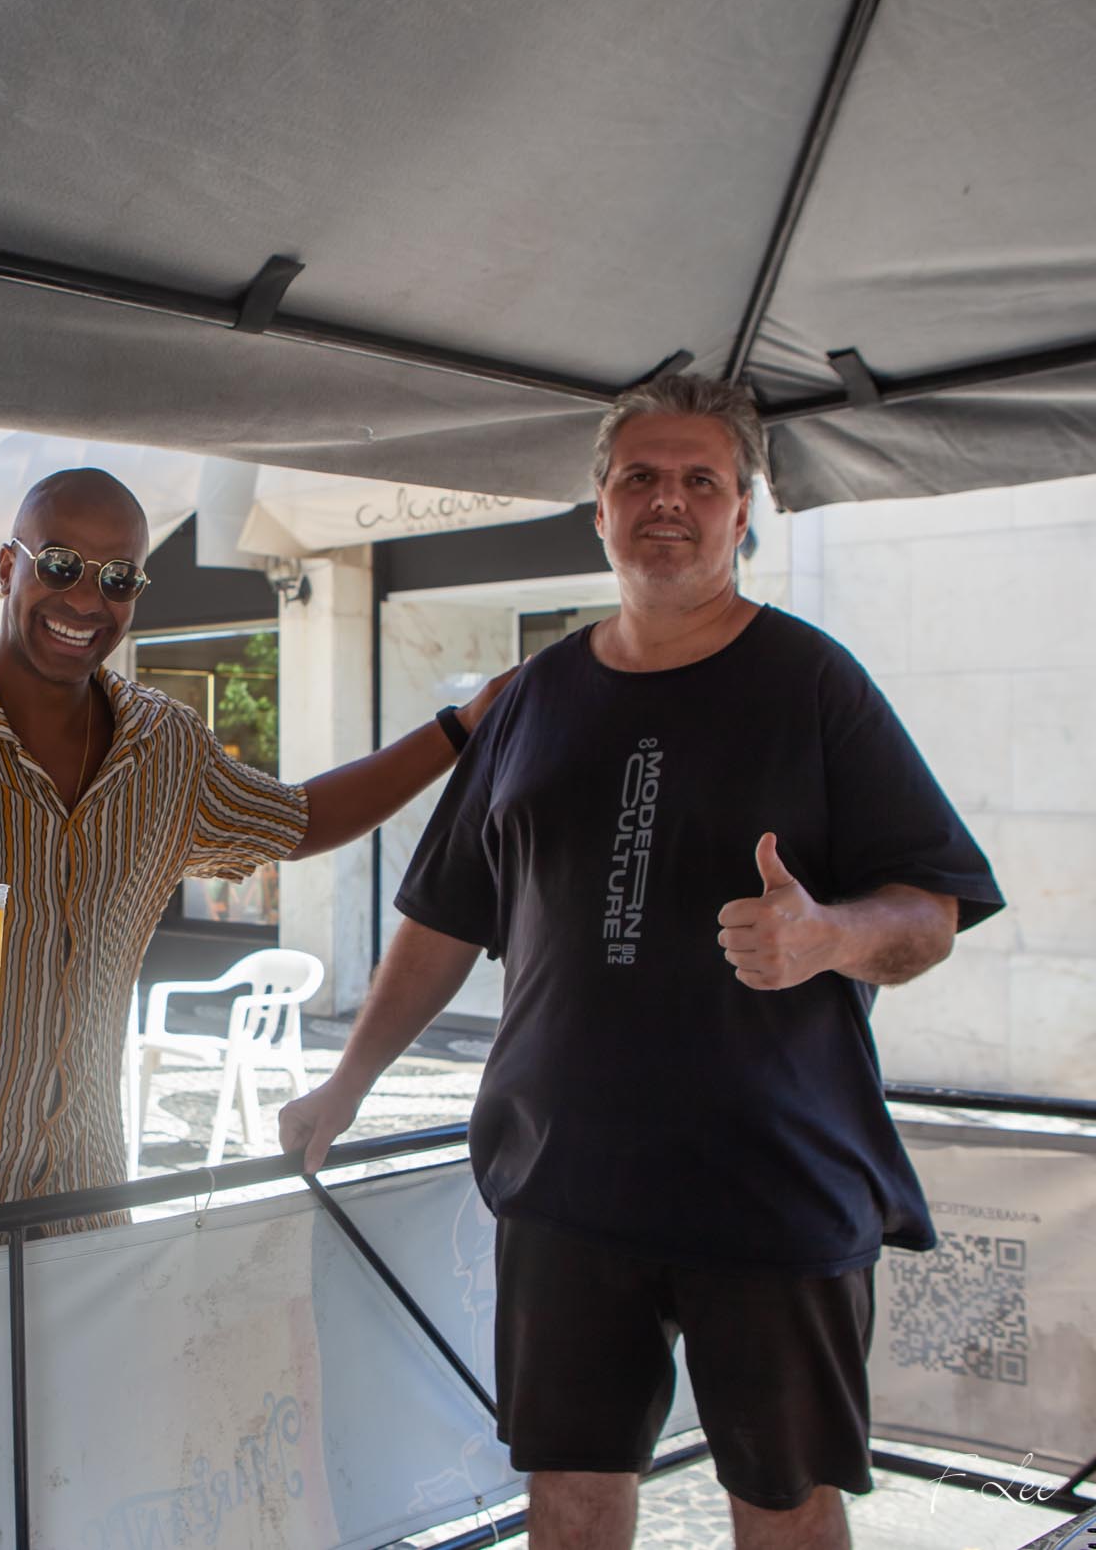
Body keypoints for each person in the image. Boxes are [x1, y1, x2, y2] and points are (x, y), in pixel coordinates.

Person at [281, 374, 1004, 1550]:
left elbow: (930, 908)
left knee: (783, 1502)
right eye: (639, 477)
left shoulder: (812, 681)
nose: (667, 499)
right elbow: (442, 915)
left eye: (699, 480)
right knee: (566, 1498)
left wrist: (827, 936)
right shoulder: (531, 696)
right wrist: (345, 1082)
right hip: (564, 1182)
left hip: (772, 1181)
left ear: (740, 514)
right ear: (599, 510)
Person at [0, 465, 512, 1274]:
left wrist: (461, 729)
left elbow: (302, 819)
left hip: (84, 1223)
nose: (86, 600)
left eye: (117, 578)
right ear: (7, 567)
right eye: (60, 565)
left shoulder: (165, 746)